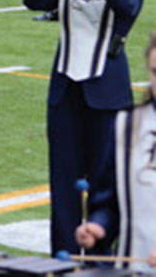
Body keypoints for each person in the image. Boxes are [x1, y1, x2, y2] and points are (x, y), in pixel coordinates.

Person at [23, 0, 143, 256]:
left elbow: (126, 5)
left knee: (106, 181)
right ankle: (62, 253)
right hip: (65, 91)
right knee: (64, 177)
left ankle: (104, 254)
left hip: (107, 94)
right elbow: (33, 0)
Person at [75, 32, 156, 268]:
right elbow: (110, 200)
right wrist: (98, 225)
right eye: (154, 72)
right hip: (133, 267)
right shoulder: (128, 125)